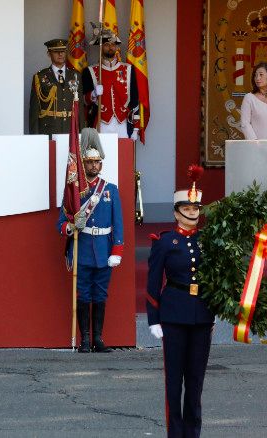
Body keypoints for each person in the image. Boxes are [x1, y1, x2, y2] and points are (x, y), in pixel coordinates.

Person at [146, 165, 214, 438]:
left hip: (201, 315)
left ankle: (192, 433)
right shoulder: (164, 242)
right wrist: (154, 319)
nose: (193, 212)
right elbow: (153, 281)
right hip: (173, 315)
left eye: (196, 208)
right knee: (174, 382)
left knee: (196, 382)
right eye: (187, 208)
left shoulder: (208, 240)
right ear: (177, 212)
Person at [57, 128, 123, 353]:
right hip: (83, 248)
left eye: (97, 162)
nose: (94, 166)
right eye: (89, 162)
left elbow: (119, 225)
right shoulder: (74, 191)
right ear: (83, 164)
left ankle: (99, 338)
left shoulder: (110, 190)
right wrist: (71, 226)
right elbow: (60, 223)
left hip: (104, 250)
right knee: (83, 293)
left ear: (101, 165)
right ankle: (85, 339)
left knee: (101, 293)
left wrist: (117, 251)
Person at [82, 30, 140, 140]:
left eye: (113, 44)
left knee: (123, 155)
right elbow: (84, 101)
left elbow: (135, 99)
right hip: (100, 122)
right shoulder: (90, 71)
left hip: (123, 122)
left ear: (117, 47)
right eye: (106, 44)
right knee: (101, 155)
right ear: (100, 47)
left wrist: (135, 128)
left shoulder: (128, 69)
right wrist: (93, 94)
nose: (110, 47)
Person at [29, 38, 84, 136]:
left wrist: (82, 133)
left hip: (70, 130)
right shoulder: (40, 77)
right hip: (48, 130)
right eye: (56, 52)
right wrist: (35, 138)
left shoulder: (75, 75)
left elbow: (80, 108)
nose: (61, 54)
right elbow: (34, 110)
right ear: (49, 54)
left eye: (63, 51)